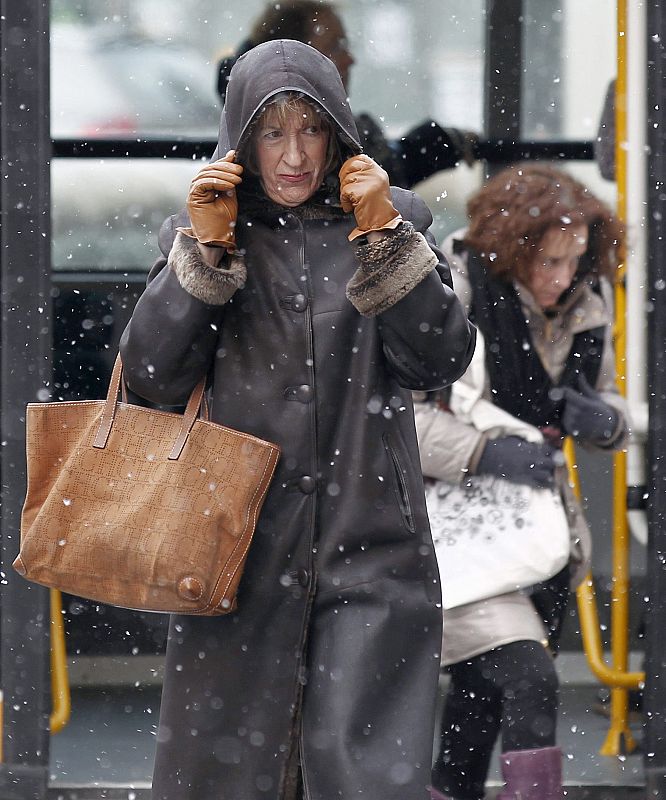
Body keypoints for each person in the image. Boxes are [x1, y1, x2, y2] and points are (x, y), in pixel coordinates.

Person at [119, 39, 476, 800]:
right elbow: (153, 375)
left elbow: (439, 359)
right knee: (225, 774)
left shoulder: (391, 221)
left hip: (370, 537)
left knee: (369, 776)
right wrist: (204, 257)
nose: (292, 156)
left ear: (337, 133)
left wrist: (386, 239)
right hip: (235, 547)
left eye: (309, 130)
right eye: (271, 132)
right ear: (241, 140)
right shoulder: (206, 229)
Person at [413, 164, 628, 800]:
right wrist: (482, 451)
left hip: (541, 535)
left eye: (576, 260)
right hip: (461, 528)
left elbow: (610, 402)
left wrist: (605, 423)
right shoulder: (458, 288)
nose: (562, 278)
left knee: (480, 700)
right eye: (550, 262)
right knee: (528, 677)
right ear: (512, 250)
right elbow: (403, 418)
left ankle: (453, 790)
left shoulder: (589, 298)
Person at [216, 0, 478, 189]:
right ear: (293, 58)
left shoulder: (245, 125)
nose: (349, 59)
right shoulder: (335, 140)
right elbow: (386, 174)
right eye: (336, 46)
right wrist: (439, 143)